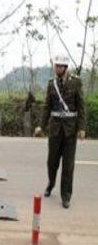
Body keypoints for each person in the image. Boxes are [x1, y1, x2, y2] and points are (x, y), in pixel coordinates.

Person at [35, 54, 86, 209]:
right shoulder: (52, 84)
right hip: (55, 130)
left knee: (68, 165)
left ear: (65, 67)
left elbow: (81, 106)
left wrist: (82, 128)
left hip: (70, 130)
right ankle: (51, 184)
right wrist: (41, 126)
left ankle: (66, 196)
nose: (56, 68)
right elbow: (47, 107)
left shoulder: (76, 83)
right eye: (55, 65)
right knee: (52, 162)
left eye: (59, 66)